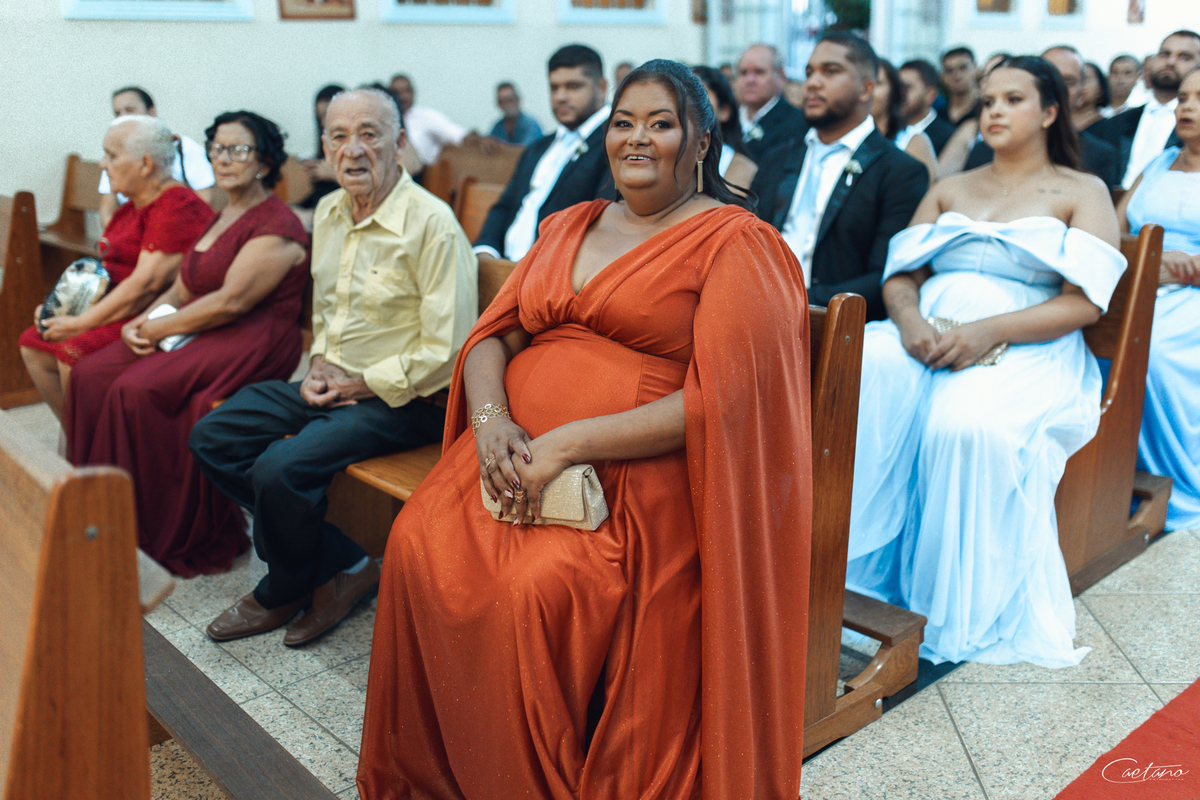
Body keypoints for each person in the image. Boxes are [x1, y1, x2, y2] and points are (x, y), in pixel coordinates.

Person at [357, 59, 812, 800]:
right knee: (414, 544)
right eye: (624, 122)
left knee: (532, 590)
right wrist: (491, 421)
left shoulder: (737, 244)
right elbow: (492, 337)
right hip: (509, 452)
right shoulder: (569, 224)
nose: (637, 138)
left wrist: (568, 444)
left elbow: (726, 402)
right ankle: (444, 769)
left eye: (661, 124)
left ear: (701, 142)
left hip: (636, 478)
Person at [846, 56, 1125, 667]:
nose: (994, 111)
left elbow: (1084, 302)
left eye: (1012, 99)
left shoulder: (1082, 190)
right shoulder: (949, 187)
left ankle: (952, 607)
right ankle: (846, 574)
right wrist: (910, 322)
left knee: (963, 426)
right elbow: (901, 275)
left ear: (1049, 112)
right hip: (926, 332)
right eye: (988, 100)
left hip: (1026, 342)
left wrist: (987, 331)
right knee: (865, 367)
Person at [188, 89, 478, 646]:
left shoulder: (432, 224)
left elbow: (449, 349)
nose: (353, 150)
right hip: (334, 380)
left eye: (369, 134)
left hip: (406, 398)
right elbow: (327, 309)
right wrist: (320, 363)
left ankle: (284, 585)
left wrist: (360, 384)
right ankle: (341, 563)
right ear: (325, 148)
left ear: (398, 143)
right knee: (215, 434)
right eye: (339, 136)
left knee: (279, 469)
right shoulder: (329, 211)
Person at [66, 111, 308, 577]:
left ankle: (159, 526)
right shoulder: (221, 213)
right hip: (208, 323)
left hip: (255, 335)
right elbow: (183, 286)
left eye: (239, 149)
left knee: (136, 390)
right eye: (217, 148)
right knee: (90, 374)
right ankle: (97, 512)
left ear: (264, 161)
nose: (224, 158)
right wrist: (141, 322)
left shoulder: (276, 224)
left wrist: (159, 330)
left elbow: (233, 301)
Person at [19, 115, 214, 421]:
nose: (103, 164)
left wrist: (80, 322)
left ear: (146, 164)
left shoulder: (177, 206)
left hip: (152, 313)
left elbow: (145, 286)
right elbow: (107, 271)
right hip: (120, 303)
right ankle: (75, 437)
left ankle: (90, 442)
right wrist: (60, 309)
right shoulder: (133, 206)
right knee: (34, 342)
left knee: (73, 353)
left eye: (111, 155)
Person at [751, 33, 928, 320]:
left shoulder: (899, 171)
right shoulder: (776, 159)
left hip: (835, 324)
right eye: (809, 72)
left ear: (866, 89)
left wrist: (794, 302)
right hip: (754, 311)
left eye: (830, 71)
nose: (813, 82)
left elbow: (884, 276)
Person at [1114, 67, 1200, 531]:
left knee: (1155, 353)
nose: (1188, 107)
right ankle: (1108, 477)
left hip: (1192, 296)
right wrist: (1150, 262)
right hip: (1138, 283)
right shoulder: (1159, 162)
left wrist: (1183, 268)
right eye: (1183, 98)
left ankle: (1174, 484)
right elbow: (1112, 230)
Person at [474, 44, 615, 263]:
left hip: (554, 273)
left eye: (573, 86)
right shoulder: (538, 148)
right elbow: (505, 205)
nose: (561, 97)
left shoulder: (614, 144)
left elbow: (602, 225)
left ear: (601, 87)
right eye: (554, 87)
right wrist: (486, 252)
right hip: (503, 267)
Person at [963, 47, 1120, 188]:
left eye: (1069, 81)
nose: (1055, 88)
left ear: (1081, 93)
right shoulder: (982, 152)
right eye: (988, 102)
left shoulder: (1096, 160)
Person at [1092, 30, 1200, 187]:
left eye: (1184, 57)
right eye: (1164, 54)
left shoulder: (1193, 127)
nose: (1170, 62)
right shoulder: (1116, 122)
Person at [98, 87, 216, 227]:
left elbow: (205, 200)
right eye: (117, 113)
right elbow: (107, 209)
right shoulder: (116, 155)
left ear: (151, 112)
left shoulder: (186, 148)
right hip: (131, 228)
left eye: (130, 110)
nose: (123, 118)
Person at [735, 43, 808, 162]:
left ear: (781, 76)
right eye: (743, 72)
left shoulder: (798, 123)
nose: (749, 80)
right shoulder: (724, 120)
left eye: (759, 72)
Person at [692, 64, 758, 189]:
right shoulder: (668, 163)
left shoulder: (745, 171)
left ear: (724, 111)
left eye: (699, 98)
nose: (688, 107)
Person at [872, 58, 937, 178]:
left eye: (878, 83)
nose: (869, 90)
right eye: (863, 82)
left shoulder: (913, 139)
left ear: (894, 91)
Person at [388, 73, 467, 165]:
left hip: (422, 172)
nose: (402, 97)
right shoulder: (386, 120)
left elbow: (458, 136)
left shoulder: (427, 118)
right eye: (397, 93)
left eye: (407, 91)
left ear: (413, 92)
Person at [294, 83, 346, 217]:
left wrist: (333, 174)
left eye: (327, 115)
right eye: (320, 117)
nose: (323, 123)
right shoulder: (327, 144)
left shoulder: (356, 147)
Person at [899, 59, 957, 154]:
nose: (900, 94)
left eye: (907, 87)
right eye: (897, 87)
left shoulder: (950, 138)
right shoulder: (889, 130)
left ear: (930, 94)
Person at [939, 46, 981, 127]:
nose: (957, 76)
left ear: (975, 69)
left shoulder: (985, 110)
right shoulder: (936, 113)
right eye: (949, 70)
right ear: (942, 76)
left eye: (963, 68)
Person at [1079, 61, 1110, 131]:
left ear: (1101, 89)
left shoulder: (1108, 127)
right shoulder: (1056, 122)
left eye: (1085, 79)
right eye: (1072, 81)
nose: (1080, 85)